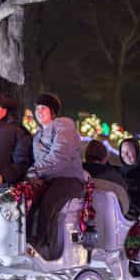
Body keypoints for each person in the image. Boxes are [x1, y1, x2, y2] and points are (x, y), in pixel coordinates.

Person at [25, 93, 86, 259]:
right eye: (37, 109)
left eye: (43, 108)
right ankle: (25, 240)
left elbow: (59, 157)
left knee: (49, 202)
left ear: (52, 111)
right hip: (46, 179)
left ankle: (44, 245)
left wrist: (33, 172)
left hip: (68, 180)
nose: (39, 112)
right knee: (25, 203)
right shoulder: (37, 135)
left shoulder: (63, 125)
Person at [82, 139, 130, 215]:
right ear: (105, 158)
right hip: (107, 223)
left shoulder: (73, 173)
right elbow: (125, 207)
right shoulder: (116, 179)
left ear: (86, 156)